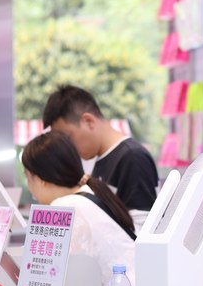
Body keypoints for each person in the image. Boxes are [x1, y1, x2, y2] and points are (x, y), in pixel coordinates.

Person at [21, 131, 136, 286]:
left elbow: (57, 278)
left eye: (28, 177)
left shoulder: (63, 207)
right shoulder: (92, 193)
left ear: (40, 179)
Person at [43, 85, 159, 231]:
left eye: (68, 137)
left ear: (88, 121)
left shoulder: (132, 157)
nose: (67, 147)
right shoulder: (102, 159)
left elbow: (143, 227)